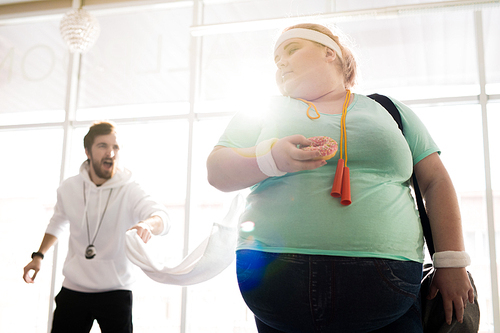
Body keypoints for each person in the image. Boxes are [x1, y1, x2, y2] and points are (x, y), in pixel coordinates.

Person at [206, 23, 474, 332]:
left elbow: (435, 181)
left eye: (292, 50)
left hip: (387, 283)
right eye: (276, 58)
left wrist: (452, 261)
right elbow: (217, 171)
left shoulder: (387, 110)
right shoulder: (262, 111)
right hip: (277, 280)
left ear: (330, 53)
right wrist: (270, 158)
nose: (280, 62)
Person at [23, 121, 170, 333]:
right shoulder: (69, 188)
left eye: (115, 147)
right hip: (74, 288)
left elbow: (162, 217)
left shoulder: (130, 189)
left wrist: (147, 224)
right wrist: (38, 256)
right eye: (102, 146)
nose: (110, 152)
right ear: (87, 151)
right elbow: (57, 221)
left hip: (116, 290)